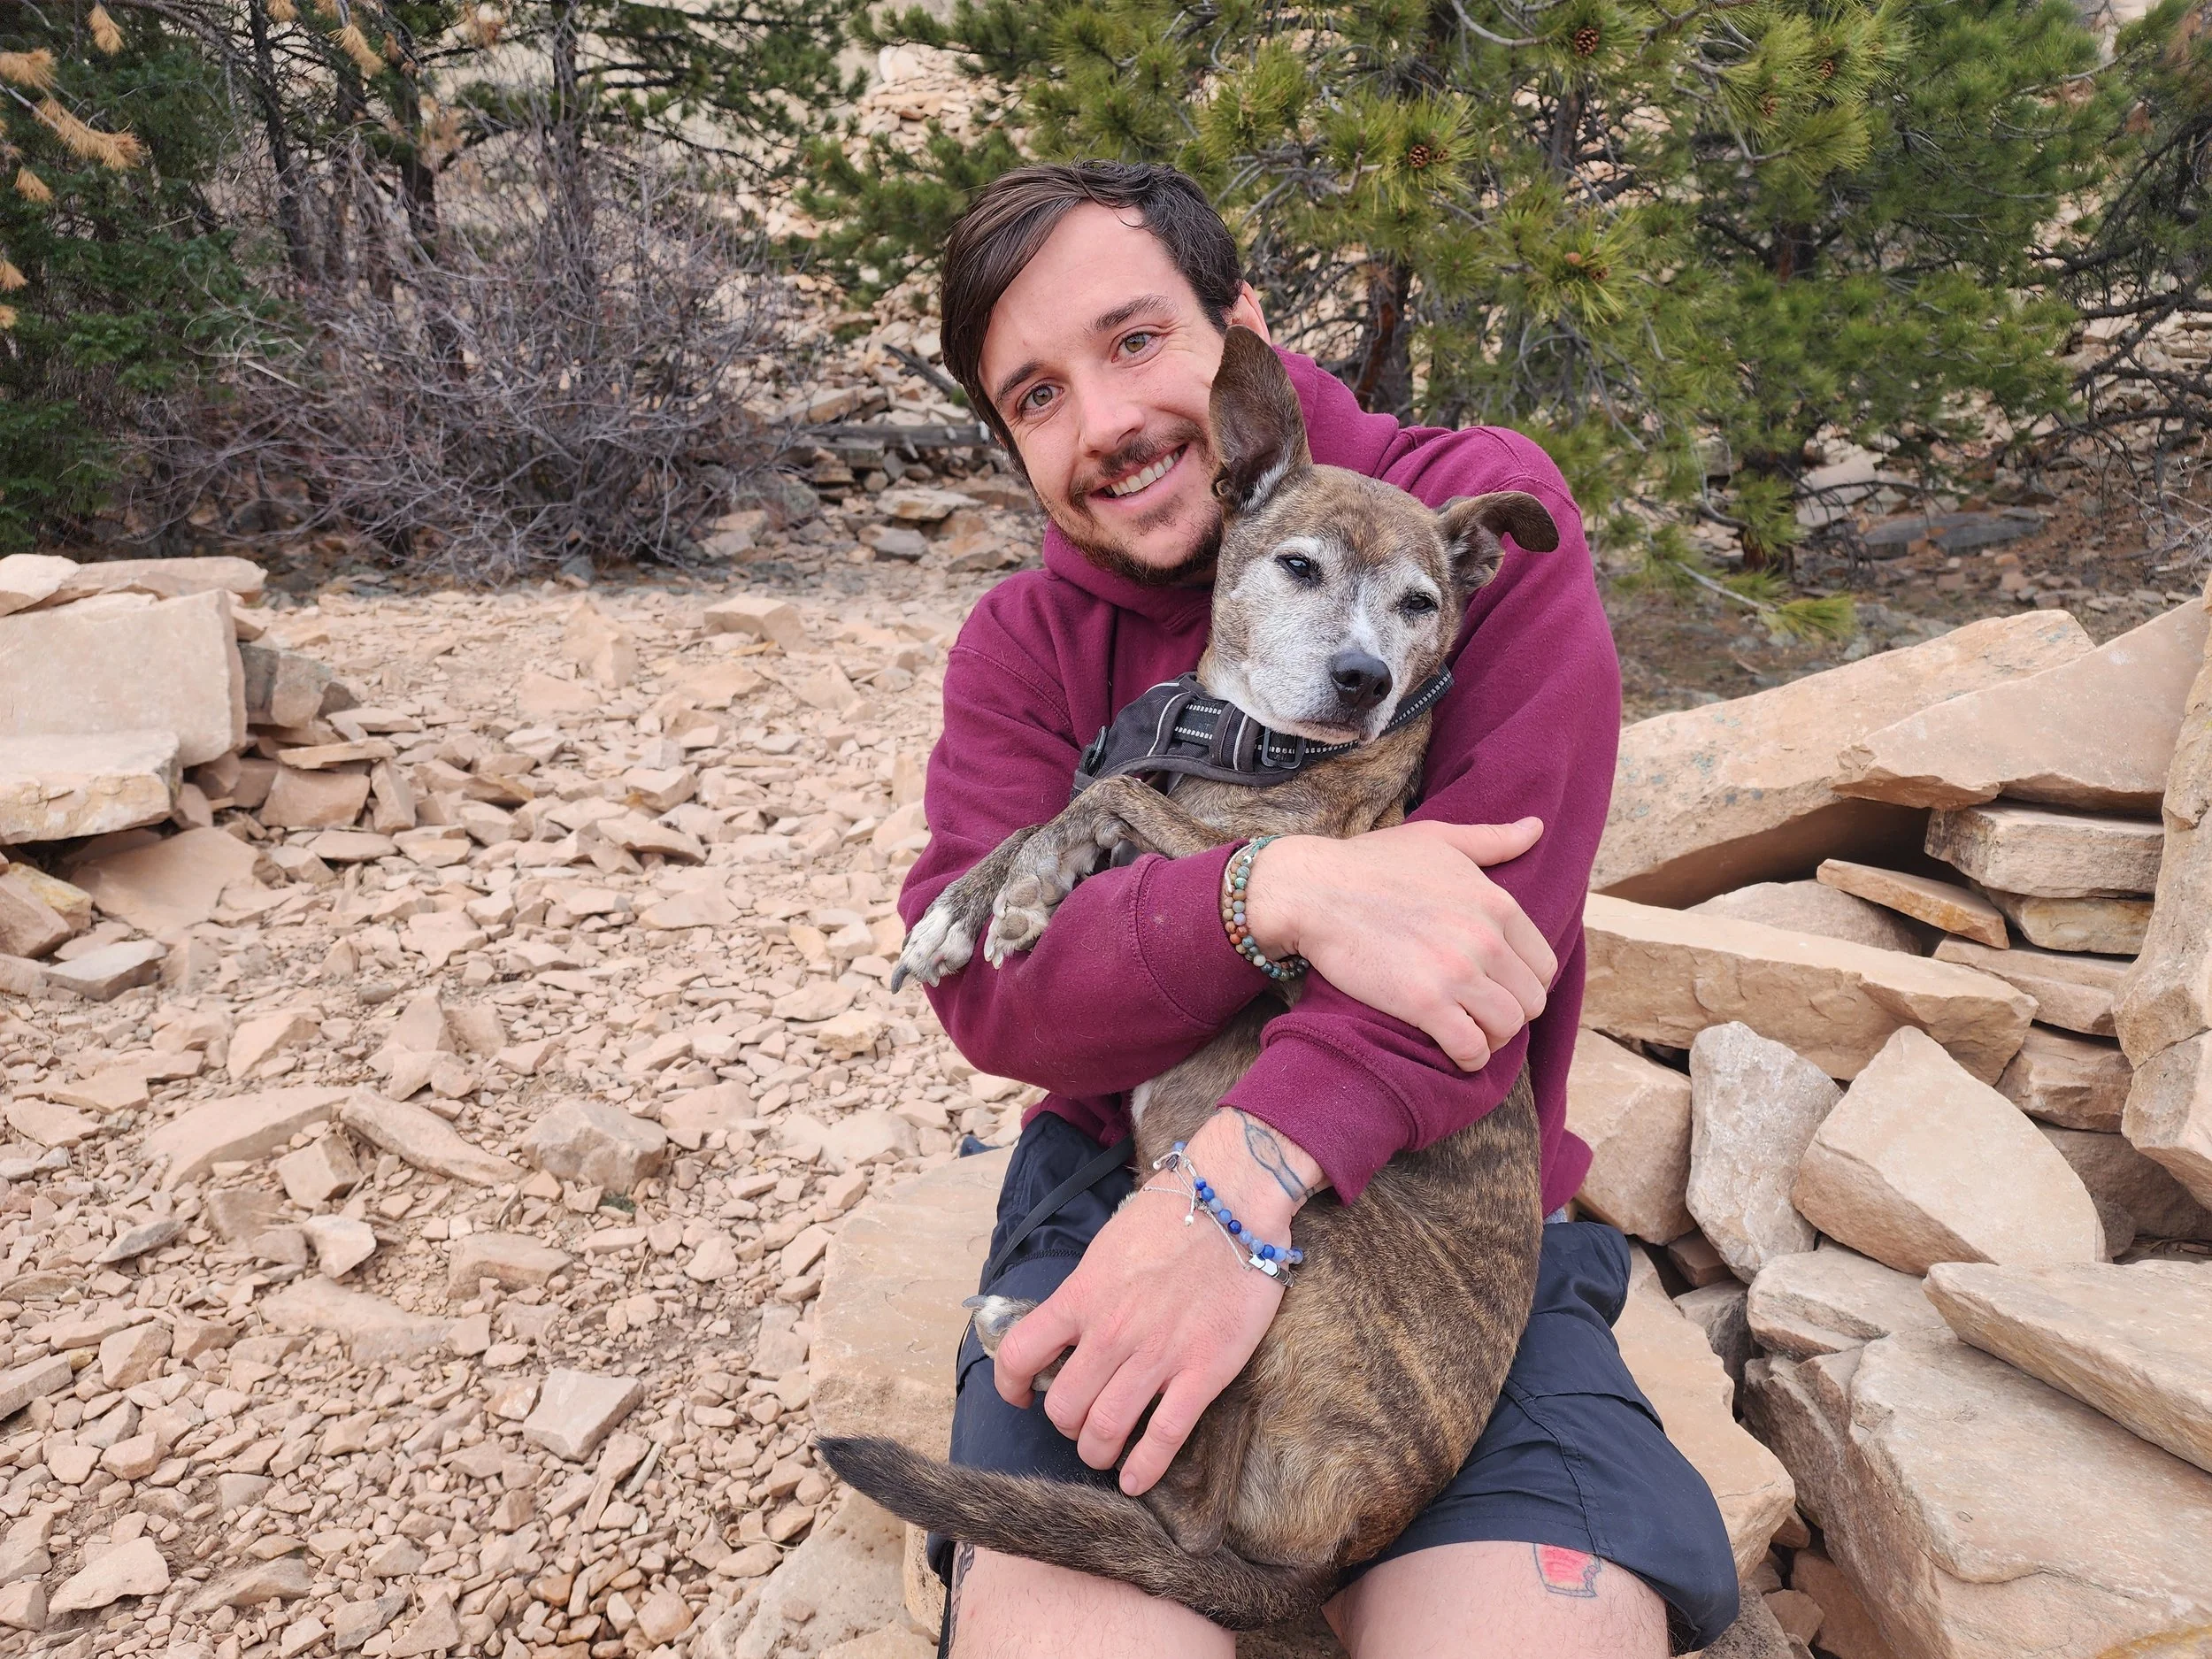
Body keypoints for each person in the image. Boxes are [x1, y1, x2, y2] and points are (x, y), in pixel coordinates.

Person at [898, 161, 1738, 1659]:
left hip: (1438, 1216)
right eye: (1035, 396)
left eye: (1135, 339)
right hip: (1107, 1184)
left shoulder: (1479, 520)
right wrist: (1268, 890)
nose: (1103, 422)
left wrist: (1232, 1203)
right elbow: (994, 1001)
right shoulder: (1024, 642)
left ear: (1245, 345)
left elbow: (1481, 946)